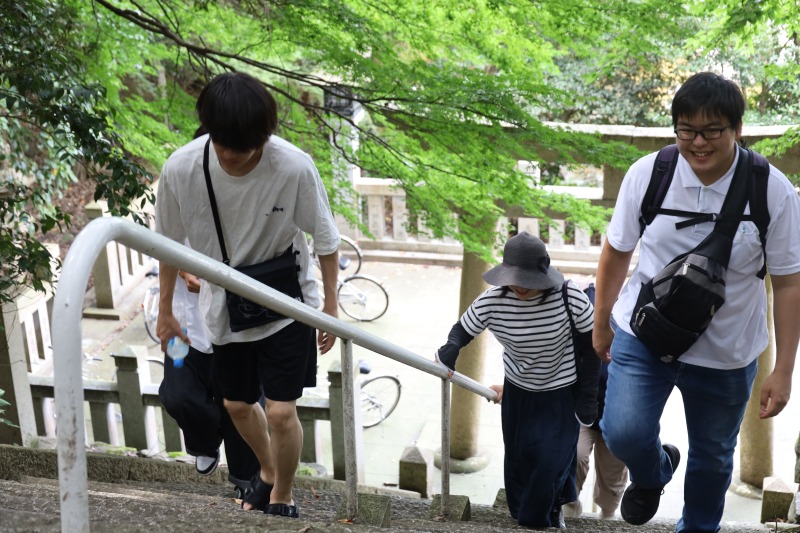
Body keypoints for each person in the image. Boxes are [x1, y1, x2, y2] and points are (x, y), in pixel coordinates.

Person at [593, 71, 800, 532]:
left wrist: (783, 368)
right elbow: (617, 251)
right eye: (686, 130)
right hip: (644, 331)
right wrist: (602, 319)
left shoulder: (772, 190)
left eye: (712, 131)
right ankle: (654, 471)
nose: (698, 143)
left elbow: (788, 284)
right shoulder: (651, 174)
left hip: (726, 350)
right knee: (621, 431)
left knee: (711, 458)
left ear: (737, 129)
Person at [155, 71, 341, 519]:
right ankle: (268, 469)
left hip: (286, 300)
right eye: (225, 145)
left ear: (267, 135)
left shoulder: (293, 166)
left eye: (248, 147)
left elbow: (327, 240)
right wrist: (165, 308)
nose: (236, 156)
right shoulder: (181, 169)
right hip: (224, 306)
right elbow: (165, 245)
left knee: (280, 412)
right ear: (210, 131)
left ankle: (282, 494)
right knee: (237, 405)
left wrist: (330, 308)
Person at [435, 231, 598, 530]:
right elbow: (462, 330)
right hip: (519, 396)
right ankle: (547, 511)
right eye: (514, 278)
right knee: (523, 466)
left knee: (550, 464)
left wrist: (588, 396)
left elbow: (592, 346)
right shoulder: (493, 300)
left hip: (561, 394)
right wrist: (450, 351)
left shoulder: (568, 295)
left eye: (527, 280)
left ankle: (537, 520)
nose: (520, 286)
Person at [157, 267, 261, 497]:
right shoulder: (172, 229)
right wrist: (183, 273)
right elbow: (163, 251)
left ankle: (247, 480)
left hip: (234, 328)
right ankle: (205, 443)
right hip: (181, 326)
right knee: (178, 395)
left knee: (240, 402)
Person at [563, 360, 628, 520]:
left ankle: (607, 513)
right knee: (575, 454)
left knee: (613, 467)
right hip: (584, 406)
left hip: (619, 410)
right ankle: (570, 501)